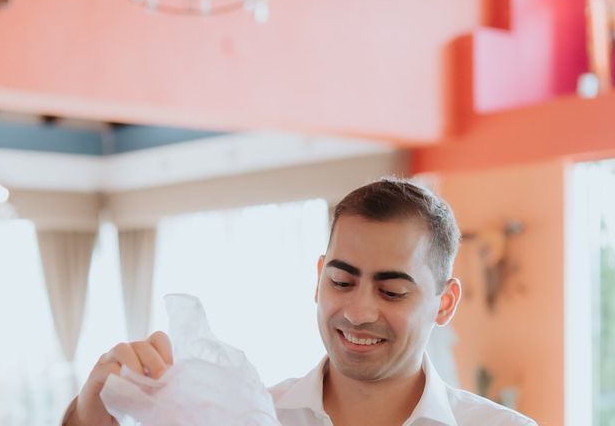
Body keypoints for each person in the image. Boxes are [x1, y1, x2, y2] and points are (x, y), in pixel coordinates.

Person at [63, 178, 537, 426]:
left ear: (444, 303)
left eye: (392, 291)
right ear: (318, 279)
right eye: (342, 281)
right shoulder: (251, 419)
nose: (358, 311)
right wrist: (90, 411)